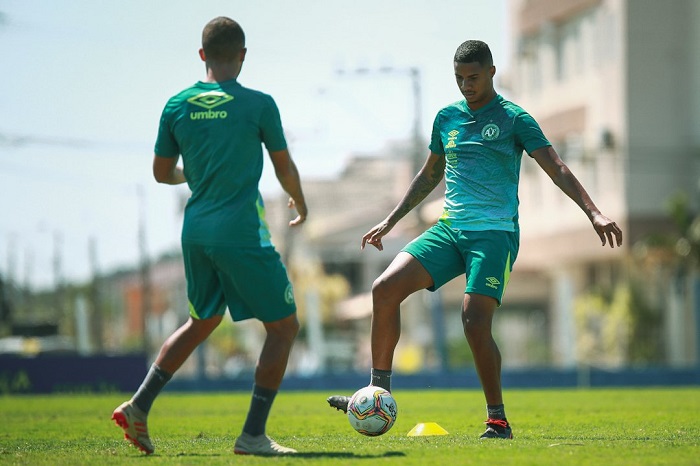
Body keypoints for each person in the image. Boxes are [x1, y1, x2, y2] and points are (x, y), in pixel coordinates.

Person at [327, 40, 622, 439]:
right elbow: (429, 174)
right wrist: (391, 220)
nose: (466, 86)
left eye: (474, 77)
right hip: (450, 230)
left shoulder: (515, 118)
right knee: (384, 288)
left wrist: (594, 212)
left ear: (492, 72)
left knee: (474, 320)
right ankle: (377, 393)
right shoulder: (447, 118)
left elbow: (556, 167)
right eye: (459, 78)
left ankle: (497, 420)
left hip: (494, 234)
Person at [112, 16, 306, 456]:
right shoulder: (258, 104)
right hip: (240, 232)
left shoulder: (177, 105)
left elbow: (162, 173)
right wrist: (300, 201)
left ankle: (138, 405)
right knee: (284, 327)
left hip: (196, 232)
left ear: (202, 55)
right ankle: (252, 436)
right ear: (242, 55)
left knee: (201, 321)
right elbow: (284, 166)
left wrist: (197, 173)